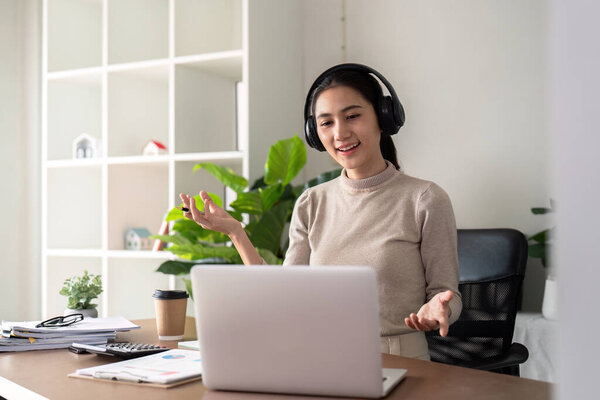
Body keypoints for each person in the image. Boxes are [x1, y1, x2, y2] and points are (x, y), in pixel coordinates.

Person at [179, 64, 461, 360]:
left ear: (383, 117)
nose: (340, 133)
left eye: (353, 116)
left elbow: (447, 293)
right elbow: (284, 296)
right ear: (315, 133)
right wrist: (236, 233)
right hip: (318, 354)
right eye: (326, 123)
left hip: (398, 357)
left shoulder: (425, 199)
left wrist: (439, 308)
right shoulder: (311, 202)